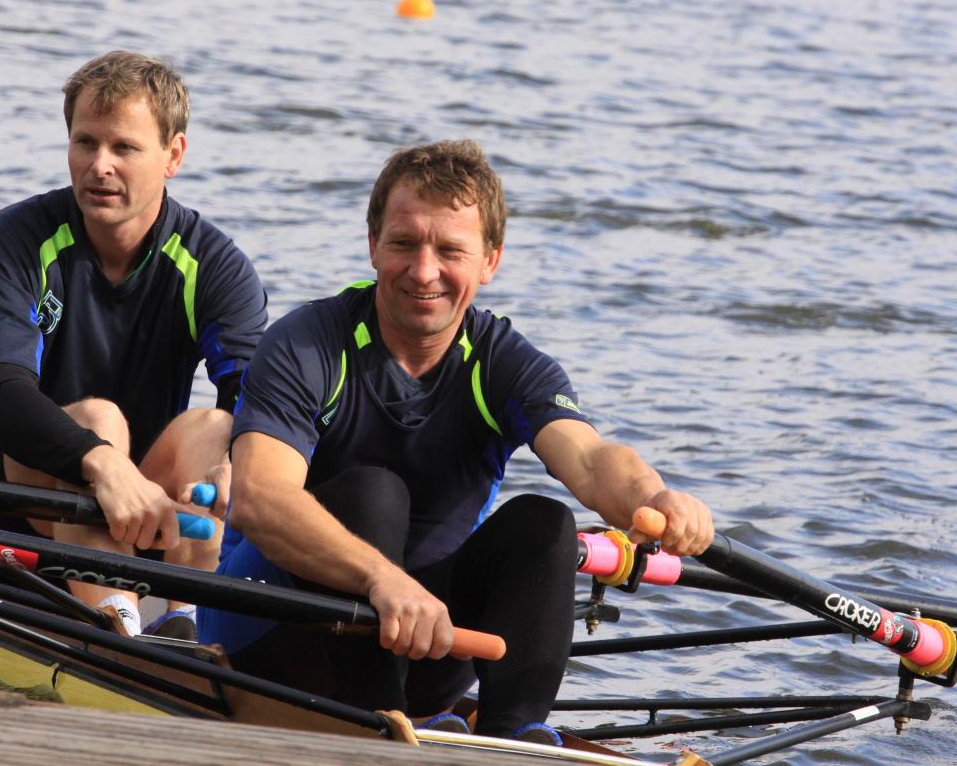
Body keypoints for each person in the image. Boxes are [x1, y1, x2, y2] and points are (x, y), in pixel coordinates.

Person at [200, 139, 713, 743]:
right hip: (270, 629)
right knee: (374, 492)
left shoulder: (506, 363)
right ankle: (382, 725)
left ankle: (513, 738)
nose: (424, 271)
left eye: (450, 250)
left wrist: (653, 498)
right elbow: (260, 498)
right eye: (404, 243)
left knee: (545, 524)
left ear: (490, 260)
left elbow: (591, 458)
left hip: (428, 641)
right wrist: (380, 579)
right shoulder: (306, 344)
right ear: (373, 244)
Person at [0, 51, 267, 638]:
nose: (99, 166)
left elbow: (255, 393)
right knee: (99, 420)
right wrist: (101, 461)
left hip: (136, 506)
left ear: (173, 156)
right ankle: (119, 627)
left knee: (219, 430)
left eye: (124, 148)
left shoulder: (215, 266)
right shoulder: (12, 241)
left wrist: (240, 464)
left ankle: (186, 621)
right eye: (86, 143)